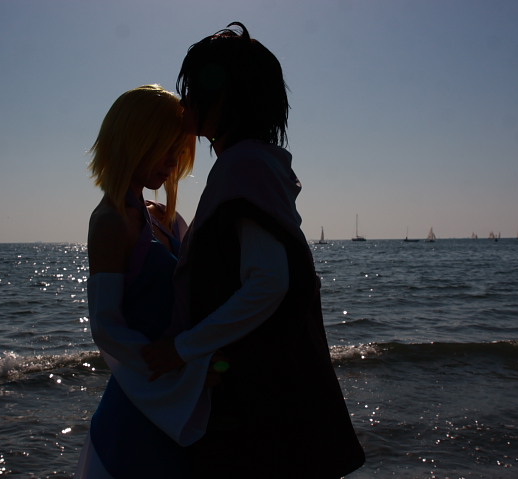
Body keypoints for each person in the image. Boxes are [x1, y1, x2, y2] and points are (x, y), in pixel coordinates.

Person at [141, 23, 366, 477]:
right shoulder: (256, 164)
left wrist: (181, 349)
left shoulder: (243, 165)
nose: (186, 102)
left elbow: (268, 282)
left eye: (195, 89)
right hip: (268, 394)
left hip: (261, 408)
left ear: (224, 98)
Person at [76, 85, 212, 479]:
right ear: (133, 141)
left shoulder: (164, 216)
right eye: (164, 147)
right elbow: (106, 326)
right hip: (144, 404)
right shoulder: (110, 221)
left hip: (177, 395)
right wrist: (181, 368)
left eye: (178, 149)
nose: (173, 160)